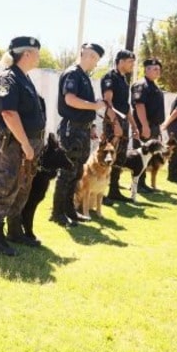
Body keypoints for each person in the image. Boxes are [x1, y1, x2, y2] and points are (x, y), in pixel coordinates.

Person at [0, 36, 46, 255]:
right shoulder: (8, 79)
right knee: (4, 187)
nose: (38, 57)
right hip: (11, 143)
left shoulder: (24, 78)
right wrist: (26, 144)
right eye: (36, 53)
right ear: (26, 54)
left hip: (27, 143)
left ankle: (14, 231)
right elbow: (9, 113)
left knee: (22, 188)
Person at [49, 43, 106, 227]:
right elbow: (70, 100)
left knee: (77, 172)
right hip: (71, 129)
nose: (96, 63)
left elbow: (84, 105)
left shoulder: (84, 77)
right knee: (67, 171)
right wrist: (95, 106)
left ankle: (69, 210)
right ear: (88, 56)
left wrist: (91, 126)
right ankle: (57, 213)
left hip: (82, 130)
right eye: (96, 59)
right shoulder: (73, 74)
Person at [100, 49, 138, 204]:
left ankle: (113, 190)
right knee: (108, 157)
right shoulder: (110, 77)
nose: (132, 65)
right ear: (120, 61)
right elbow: (108, 102)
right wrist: (115, 124)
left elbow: (125, 106)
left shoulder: (123, 80)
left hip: (123, 123)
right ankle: (100, 193)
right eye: (130, 62)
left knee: (120, 158)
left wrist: (134, 125)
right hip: (113, 122)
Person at [130, 58, 166, 193]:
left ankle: (142, 183)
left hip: (153, 126)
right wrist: (145, 126)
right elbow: (139, 105)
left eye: (159, 69)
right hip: (145, 126)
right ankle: (137, 185)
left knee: (147, 157)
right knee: (140, 156)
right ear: (147, 69)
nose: (158, 72)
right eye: (155, 69)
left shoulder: (153, 86)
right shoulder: (141, 85)